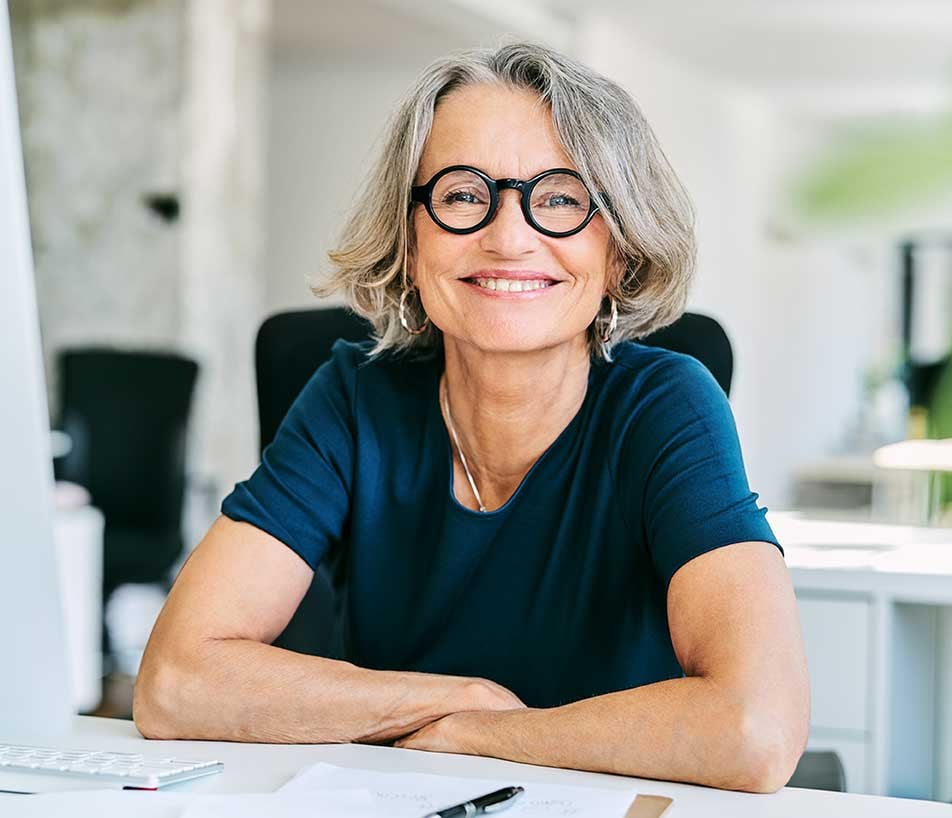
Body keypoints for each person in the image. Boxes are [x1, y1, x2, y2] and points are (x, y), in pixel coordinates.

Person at [135, 40, 809, 793]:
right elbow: (174, 681)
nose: (509, 236)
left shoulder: (666, 405)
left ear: (617, 249)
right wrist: (455, 698)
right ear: (410, 239)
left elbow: (756, 728)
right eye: (461, 195)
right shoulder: (354, 395)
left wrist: (490, 735)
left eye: (560, 198)